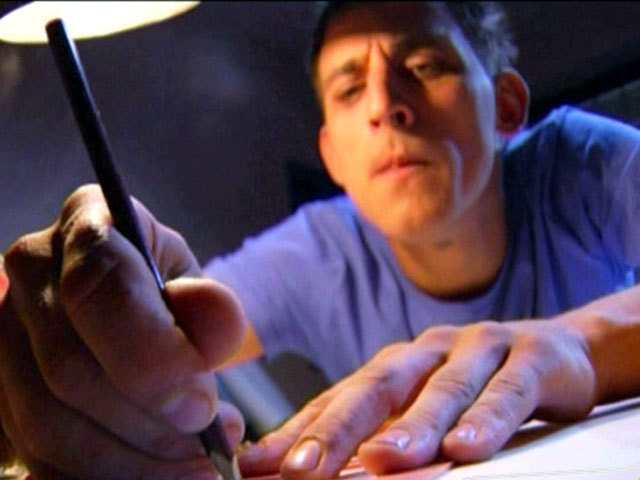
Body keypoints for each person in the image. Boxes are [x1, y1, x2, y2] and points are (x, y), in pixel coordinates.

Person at [1, 2, 640, 479]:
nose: (385, 106)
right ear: (333, 157)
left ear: (506, 105)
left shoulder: (583, 161)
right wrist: (74, 341)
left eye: (424, 65)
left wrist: (578, 345)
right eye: (350, 88)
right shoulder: (317, 251)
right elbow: (161, 336)